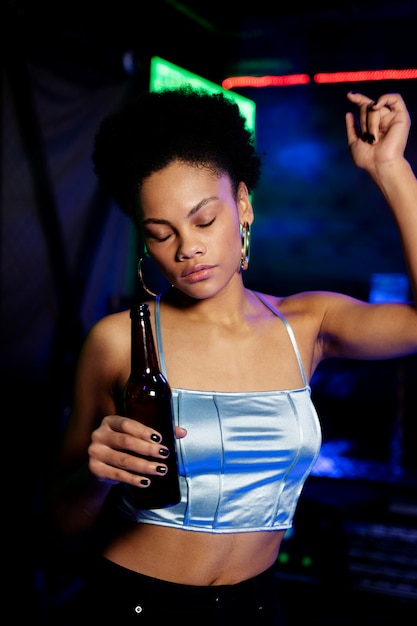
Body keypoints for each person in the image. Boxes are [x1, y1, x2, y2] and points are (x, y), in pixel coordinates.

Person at [48, 86, 417, 625]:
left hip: (257, 610)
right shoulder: (117, 341)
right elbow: (59, 523)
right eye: (161, 233)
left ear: (242, 205)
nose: (187, 248)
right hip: (129, 608)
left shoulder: (306, 324)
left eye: (204, 220)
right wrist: (98, 475)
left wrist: (391, 169)